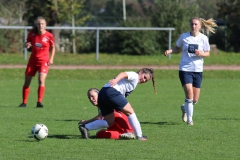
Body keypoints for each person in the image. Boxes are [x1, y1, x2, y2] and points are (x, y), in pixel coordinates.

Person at [164, 17, 218, 125]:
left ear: (200, 26)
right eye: (192, 24)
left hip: (198, 70)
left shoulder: (203, 38)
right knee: (189, 94)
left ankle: (185, 108)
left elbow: (207, 53)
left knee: (195, 99)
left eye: (196, 24)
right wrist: (170, 51)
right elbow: (177, 48)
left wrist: (200, 53)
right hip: (185, 69)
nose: (193, 26)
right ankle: (190, 120)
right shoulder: (184, 37)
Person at [79, 68, 157, 140]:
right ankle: (139, 136)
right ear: (141, 71)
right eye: (144, 77)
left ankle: (85, 127)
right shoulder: (135, 75)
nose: (143, 80)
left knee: (110, 122)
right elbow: (123, 73)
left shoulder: (134, 81)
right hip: (111, 91)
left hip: (103, 92)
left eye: (146, 80)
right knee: (131, 112)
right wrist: (116, 80)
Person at [19, 16, 55, 108]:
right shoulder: (32, 33)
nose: (40, 25)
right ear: (36, 25)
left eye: (42, 24)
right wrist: (27, 45)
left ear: (45, 25)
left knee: (41, 80)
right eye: (39, 24)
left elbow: (53, 47)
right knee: (27, 82)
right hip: (32, 61)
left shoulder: (49, 35)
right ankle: (24, 102)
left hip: (44, 61)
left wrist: (51, 59)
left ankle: (39, 102)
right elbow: (27, 43)